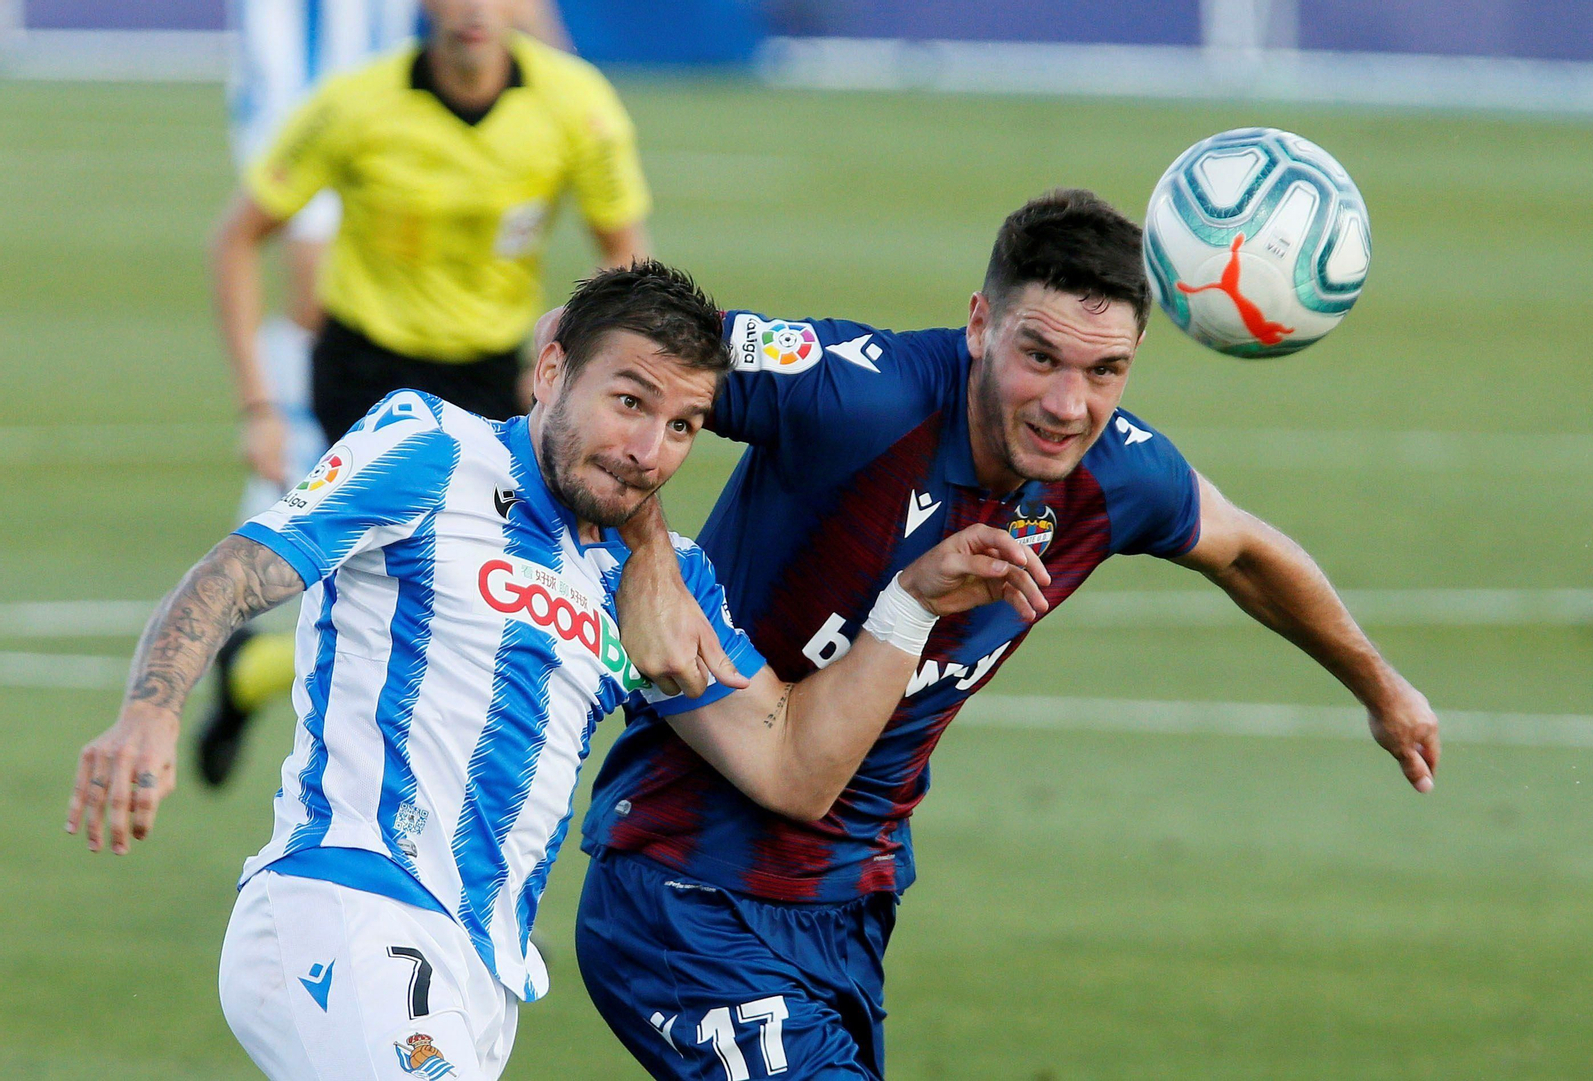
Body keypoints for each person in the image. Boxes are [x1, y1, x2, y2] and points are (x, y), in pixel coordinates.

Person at [64, 262, 1051, 1081]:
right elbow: (240, 567)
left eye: (680, 426)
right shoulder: (430, 447)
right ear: (549, 372)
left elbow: (793, 767)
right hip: (344, 903)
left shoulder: (663, 588)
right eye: (627, 402)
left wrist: (908, 603)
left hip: (480, 969)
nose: (648, 449)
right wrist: (150, 709)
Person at [571, 190, 1443, 1079]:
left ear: (1137, 356)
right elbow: (588, 336)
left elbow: (1247, 550)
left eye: (1104, 370)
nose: (1068, 403)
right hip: (687, 889)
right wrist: (646, 554)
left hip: (848, 905)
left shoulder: (1117, 476)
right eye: (1041, 355)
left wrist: (1384, 690)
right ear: (981, 323)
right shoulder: (859, 395)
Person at [200, 0, 649, 786]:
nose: (474, 10)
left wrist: (564, 370)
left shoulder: (576, 104)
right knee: (408, 597)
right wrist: (258, 406)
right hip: (367, 377)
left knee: (482, 594)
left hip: (492, 376)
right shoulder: (354, 105)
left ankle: (254, 673)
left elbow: (626, 271)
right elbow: (236, 238)